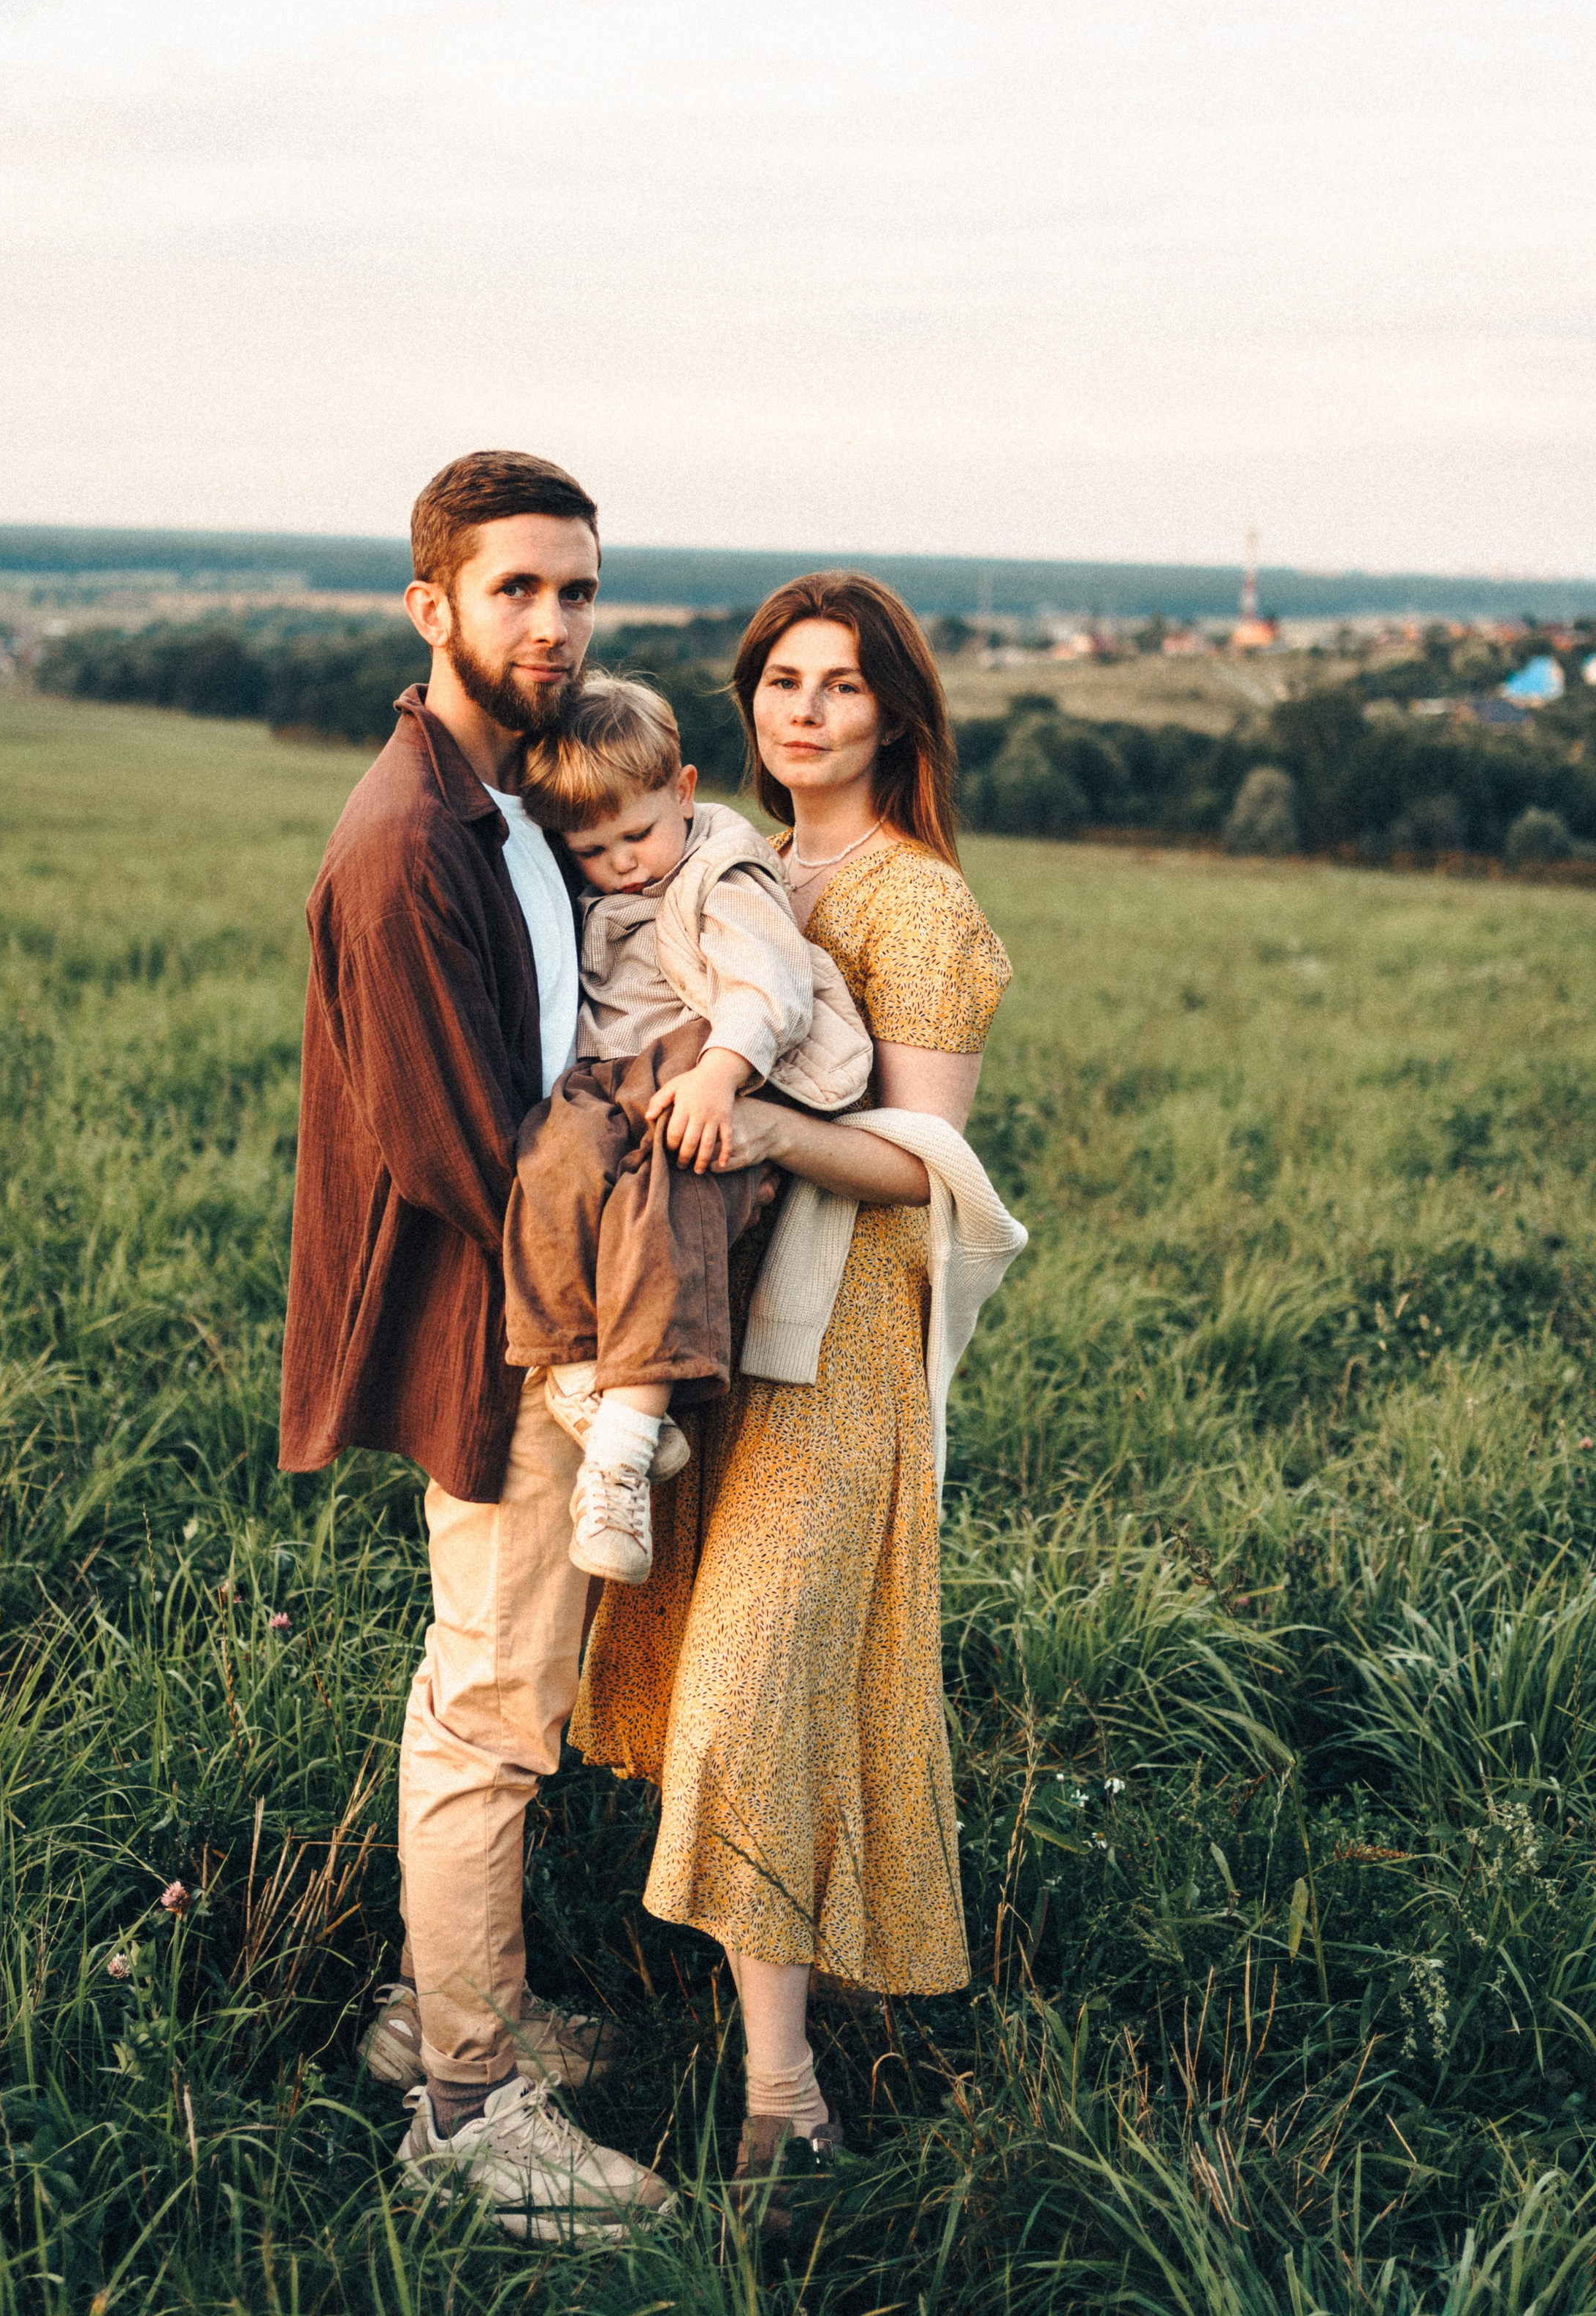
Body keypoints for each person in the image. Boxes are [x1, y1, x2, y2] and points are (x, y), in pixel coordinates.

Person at [569, 571, 1013, 2214]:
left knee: (758, 1690)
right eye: (776, 679)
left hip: (831, 1355)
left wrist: (757, 1124)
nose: (800, 709)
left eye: (837, 685)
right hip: (699, 1320)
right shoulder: (708, 850)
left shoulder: (918, 906)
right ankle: (706, 2019)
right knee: (700, 1668)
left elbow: (925, 1165)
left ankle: (783, 2099)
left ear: (893, 713)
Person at [278, 450, 673, 2238]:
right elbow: (468, 1155)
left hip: (548, 1315)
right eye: (516, 588)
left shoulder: (501, 800)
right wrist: (597, 1341)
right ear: (429, 604)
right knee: (491, 1710)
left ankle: (445, 2007)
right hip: (509, 1333)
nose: (553, 623)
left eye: (576, 589)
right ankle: (462, 2102)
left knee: (491, 1688)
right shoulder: (402, 841)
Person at [504, 672, 871, 1585]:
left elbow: (769, 987)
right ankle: (579, 1374)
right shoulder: (595, 877)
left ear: (682, 790)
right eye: (594, 851)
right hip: (608, 1077)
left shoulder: (721, 868)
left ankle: (623, 1457)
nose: (625, 862)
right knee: (551, 1160)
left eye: (638, 833)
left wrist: (721, 1074)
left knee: (661, 1197)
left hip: (701, 1059)